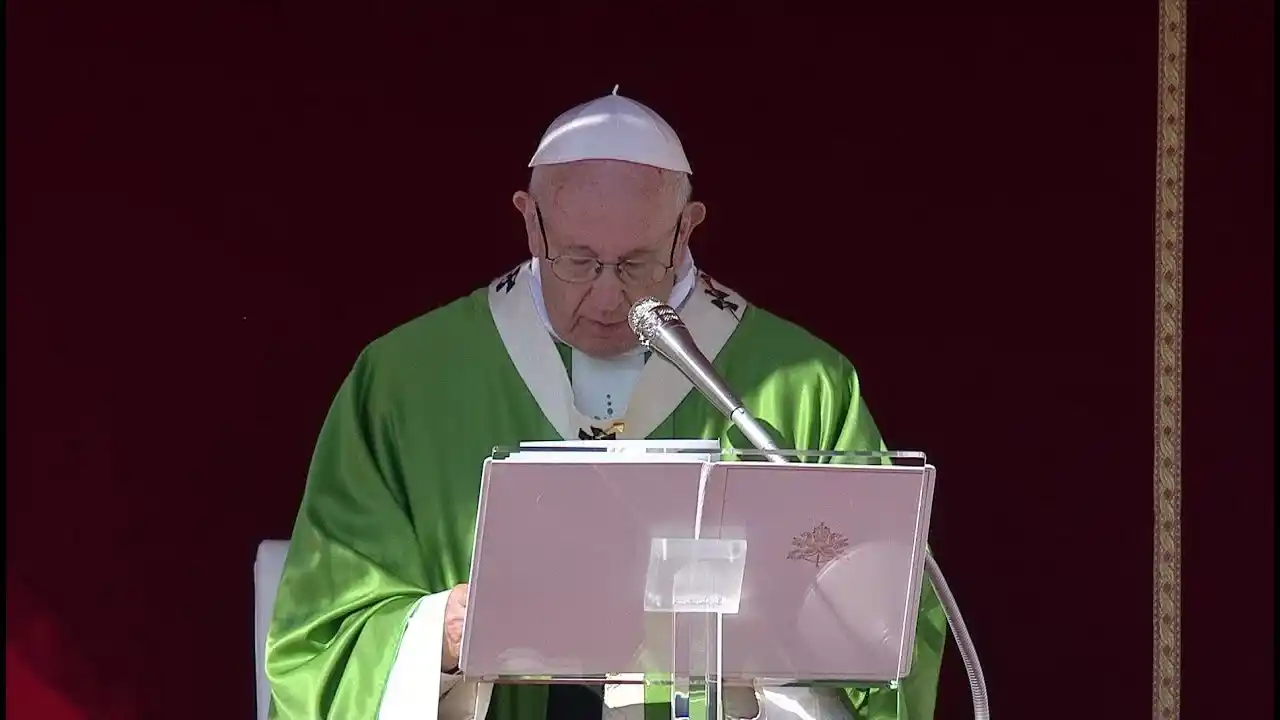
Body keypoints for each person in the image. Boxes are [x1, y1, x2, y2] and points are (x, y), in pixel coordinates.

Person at [265, 88, 946, 720]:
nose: (610, 298)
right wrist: (437, 635)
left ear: (687, 230)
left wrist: (762, 643)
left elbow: (894, 622)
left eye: (638, 263)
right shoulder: (408, 381)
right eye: (579, 261)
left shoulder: (794, 385)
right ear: (530, 223)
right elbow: (319, 632)